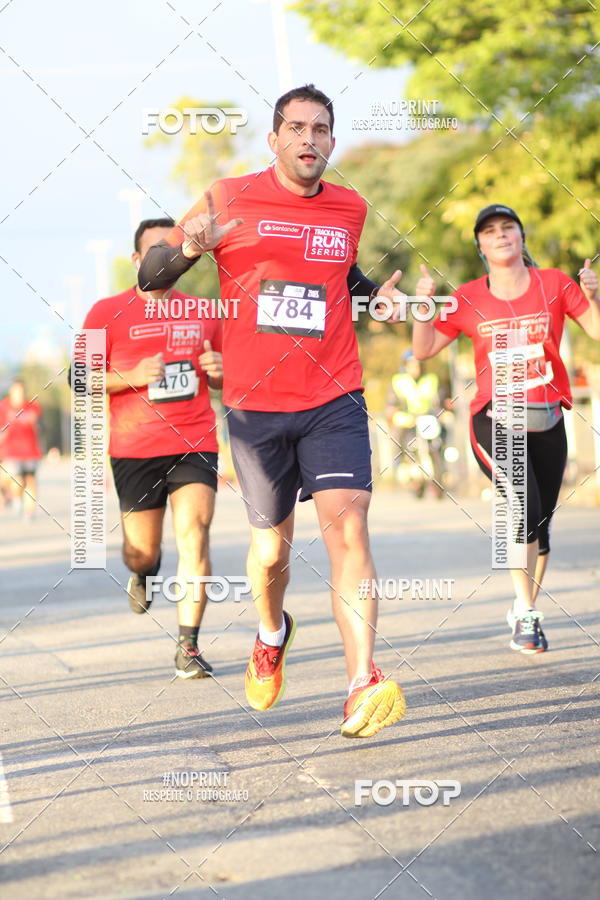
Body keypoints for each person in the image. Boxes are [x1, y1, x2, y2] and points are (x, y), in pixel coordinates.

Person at [139, 84, 406, 738]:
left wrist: (378, 302)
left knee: (350, 526)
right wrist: (193, 250)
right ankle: (270, 630)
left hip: (334, 395)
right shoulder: (228, 197)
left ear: (332, 142)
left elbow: (338, 278)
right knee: (268, 556)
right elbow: (152, 274)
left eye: (320, 129)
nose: (308, 140)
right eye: (296, 128)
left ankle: (360, 681)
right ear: (275, 139)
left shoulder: (351, 207)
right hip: (257, 408)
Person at [413, 203, 600, 652]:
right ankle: (528, 614)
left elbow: (596, 329)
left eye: (508, 228)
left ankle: (523, 608)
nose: (500, 235)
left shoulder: (554, 283)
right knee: (524, 506)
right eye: (490, 231)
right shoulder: (467, 297)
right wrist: (421, 308)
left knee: (543, 523)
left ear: (521, 236)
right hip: (494, 419)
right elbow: (424, 351)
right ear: (480, 245)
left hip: (547, 417)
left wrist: (593, 294)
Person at [82, 218, 224, 678]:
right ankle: (144, 572)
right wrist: (131, 377)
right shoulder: (105, 312)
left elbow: (232, 375)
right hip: (134, 449)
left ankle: (188, 647)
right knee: (140, 550)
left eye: (174, 252)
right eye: (157, 253)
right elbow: (78, 379)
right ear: (137, 260)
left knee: (195, 534)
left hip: (194, 441)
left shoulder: (204, 310)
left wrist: (220, 369)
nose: (168, 260)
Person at [0, 380, 43, 517]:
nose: (18, 394)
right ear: (11, 392)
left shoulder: (33, 407)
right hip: (11, 451)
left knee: (30, 480)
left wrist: (38, 425)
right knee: (16, 478)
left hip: (30, 451)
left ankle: (28, 512)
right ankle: (13, 496)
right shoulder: (3, 407)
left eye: (21, 391)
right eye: (15, 391)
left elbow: (42, 427)